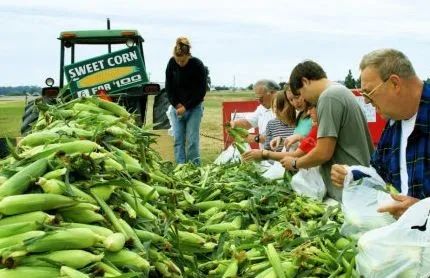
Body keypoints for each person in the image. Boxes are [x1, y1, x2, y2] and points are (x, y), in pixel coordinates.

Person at [331, 48, 430, 218]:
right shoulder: (394, 123)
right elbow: (381, 174)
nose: (367, 101)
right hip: (408, 236)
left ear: (394, 83)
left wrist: (423, 210)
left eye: (368, 92)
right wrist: (352, 173)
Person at [280, 60, 374, 201]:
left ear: (305, 81)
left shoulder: (329, 97)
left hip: (349, 188)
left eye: (300, 93)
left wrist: (295, 163)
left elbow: (323, 152)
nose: (304, 99)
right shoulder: (339, 90)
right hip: (356, 183)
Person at [165, 37, 207, 165]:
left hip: (194, 108)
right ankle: (181, 168)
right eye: (178, 60)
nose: (180, 63)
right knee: (178, 140)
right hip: (177, 109)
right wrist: (177, 105)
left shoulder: (197, 65)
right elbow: (169, 88)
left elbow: (201, 91)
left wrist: (186, 107)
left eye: (183, 60)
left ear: (188, 55)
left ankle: (195, 168)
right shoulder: (171, 63)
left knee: (192, 140)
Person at [230, 80, 279, 146]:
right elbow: (247, 123)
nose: (259, 101)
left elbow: (281, 136)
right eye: (257, 98)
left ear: (273, 93)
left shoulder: (284, 108)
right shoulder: (261, 108)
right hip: (265, 153)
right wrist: (234, 124)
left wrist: (256, 138)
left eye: (261, 98)